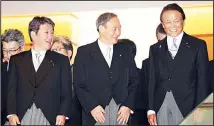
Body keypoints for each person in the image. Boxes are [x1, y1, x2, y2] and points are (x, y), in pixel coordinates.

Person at [147, 3, 210, 125]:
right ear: (163, 25)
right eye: (168, 22)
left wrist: (200, 107)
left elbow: (203, 79)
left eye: (176, 21)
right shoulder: (155, 48)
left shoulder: (197, 45)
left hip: (188, 104)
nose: (172, 25)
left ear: (183, 21)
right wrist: (150, 109)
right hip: (161, 104)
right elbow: (152, 81)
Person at [73, 12, 139, 125]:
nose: (118, 32)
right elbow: (79, 84)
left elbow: (134, 80)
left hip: (121, 113)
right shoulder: (84, 52)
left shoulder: (125, 51)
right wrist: (92, 106)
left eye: (119, 28)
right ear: (102, 28)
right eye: (114, 28)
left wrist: (128, 105)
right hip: (96, 114)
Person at [6, 16, 72, 125]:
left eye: (52, 33)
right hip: (22, 115)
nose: (51, 36)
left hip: (50, 116)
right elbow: (11, 90)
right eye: (46, 32)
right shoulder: (17, 60)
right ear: (33, 35)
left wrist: (63, 113)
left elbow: (66, 91)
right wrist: (11, 113)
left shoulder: (61, 60)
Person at [51, 35, 82, 125]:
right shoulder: (49, 75)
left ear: (69, 53)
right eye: (52, 51)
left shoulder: (78, 72)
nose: (55, 53)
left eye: (58, 49)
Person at [1, 29, 25, 125]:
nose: (8, 55)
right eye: (5, 51)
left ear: (22, 48)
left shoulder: (31, 70)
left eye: (12, 51)